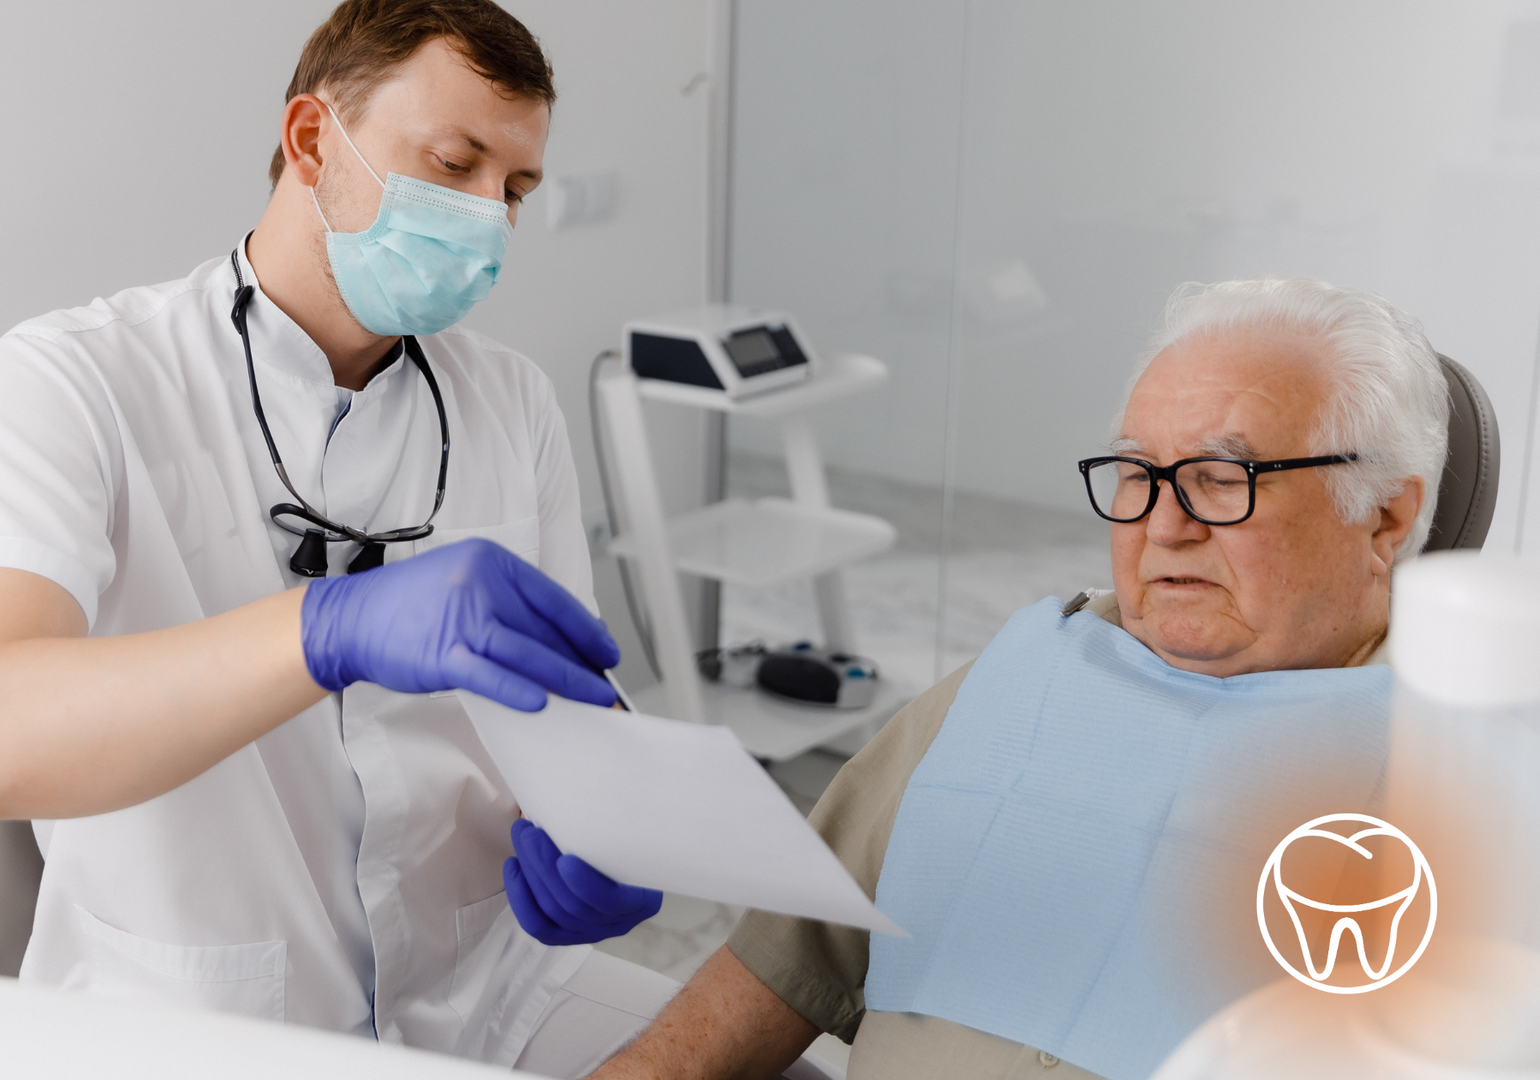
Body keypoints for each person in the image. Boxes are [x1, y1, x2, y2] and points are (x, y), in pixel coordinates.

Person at [0, 2, 671, 1074]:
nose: (490, 214)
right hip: (198, 1024)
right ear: (311, 142)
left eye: (517, 189)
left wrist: (608, 832)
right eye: (454, 161)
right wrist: (325, 626)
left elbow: (577, 710)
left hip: (485, 993)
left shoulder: (512, 402)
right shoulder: (76, 380)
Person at [588, 277, 1449, 1080]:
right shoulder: (1028, 671)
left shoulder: (1453, 772)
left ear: (1385, 515)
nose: (1164, 525)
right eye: (1138, 475)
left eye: (1221, 480)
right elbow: (783, 962)